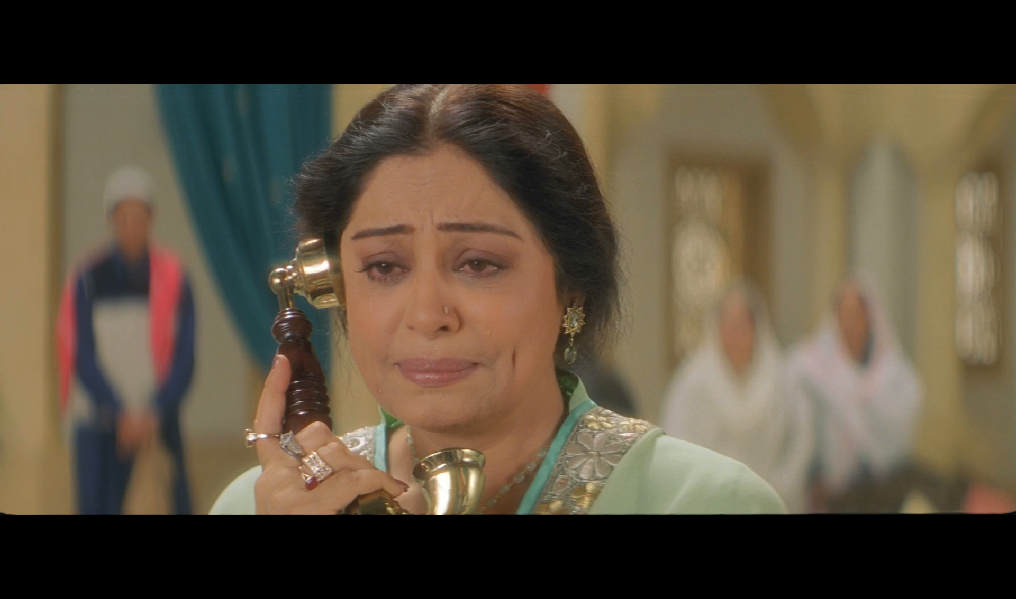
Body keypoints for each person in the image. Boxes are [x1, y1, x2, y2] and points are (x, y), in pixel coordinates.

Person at [211, 84, 785, 515]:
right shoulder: (265, 505)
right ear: (334, 285)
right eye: (384, 267)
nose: (428, 315)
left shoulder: (704, 501)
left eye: (478, 264)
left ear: (571, 286)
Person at [57, 166, 196, 515]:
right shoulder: (88, 278)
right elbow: (82, 354)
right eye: (123, 218)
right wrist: (118, 412)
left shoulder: (174, 278)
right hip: (99, 425)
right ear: (111, 220)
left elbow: (184, 357)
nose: (132, 227)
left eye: (139, 217)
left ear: (151, 218)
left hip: (157, 422)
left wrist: (153, 412)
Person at [659, 281, 813, 512]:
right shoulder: (693, 381)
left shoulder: (780, 379)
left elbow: (800, 439)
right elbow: (677, 437)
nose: (735, 334)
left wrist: (777, 488)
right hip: (708, 501)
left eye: (743, 325)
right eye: (729, 325)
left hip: (767, 499)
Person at [786, 275, 923, 512]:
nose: (850, 323)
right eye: (844, 314)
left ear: (869, 316)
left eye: (856, 314)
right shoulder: (813, 365)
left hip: (881, 489)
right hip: (830, 490)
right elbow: (800, 424)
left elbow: (907, 412)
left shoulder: (891, 370)